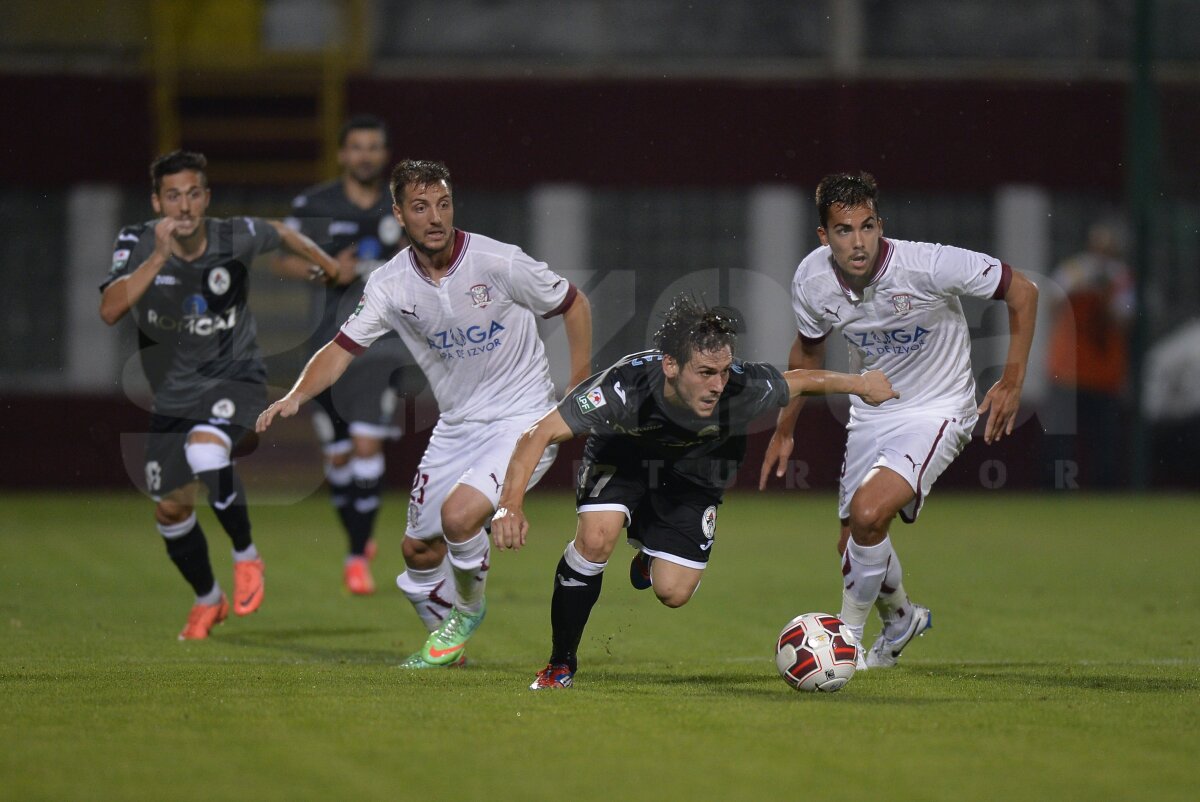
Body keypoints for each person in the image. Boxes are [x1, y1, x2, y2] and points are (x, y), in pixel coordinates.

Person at [257, 159, 593, 668]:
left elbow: (574, 303)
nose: (435, 217)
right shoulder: (391, 285)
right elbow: (341, 347)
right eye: (420, 207)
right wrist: (296, 395)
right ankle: (450, 649)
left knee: (459, 518)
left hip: (522, 419)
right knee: (417, 551)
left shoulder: (497, 262)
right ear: (399, 214)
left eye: (443, 204)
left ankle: (467, 611)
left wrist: (577, 385)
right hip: (458, 426)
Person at [490, 294, 897, 690]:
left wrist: (860, 383)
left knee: (673, 592)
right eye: (705, 372)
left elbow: (802, 381)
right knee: (597, 538)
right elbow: (537, 433)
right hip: (624, 460)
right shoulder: (624, 386)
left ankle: (651, 556)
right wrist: (509, 505)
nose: (718, 384)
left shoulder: (741, 386)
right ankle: (560, 662)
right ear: (670, 364)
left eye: (723, 370)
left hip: (694, 475)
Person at [758, 171, 1039, 670]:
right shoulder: (813, 279)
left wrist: (1012, 380)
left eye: (868, 226)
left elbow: (1024, 292)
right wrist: (785, 427)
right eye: (844, 230)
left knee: (869, 515)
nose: (859, 242)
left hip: (938, 408)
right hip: (873, 409)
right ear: (824, 236)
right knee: (853, 541)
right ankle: (903, 618)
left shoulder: (929, 264)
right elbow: (806, 350)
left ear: (880, 224)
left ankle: (845, 643)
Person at [99, 150, 339, 640]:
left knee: (206, 450)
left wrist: (325, 262)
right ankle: (208, 599)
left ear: (206, 198)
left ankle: (247, 557)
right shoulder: (137, 241)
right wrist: (159, 258)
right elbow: (109, 309)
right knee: (171, 509)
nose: (184, 206)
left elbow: (281, 229)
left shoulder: (234, 235)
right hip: (172, 395)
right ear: (157, 202)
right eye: (173, 196)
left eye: (193, 194)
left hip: (236, 377)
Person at [275, 115, 409, 594]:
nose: (365, 155)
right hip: (326, 346)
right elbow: (280, 254)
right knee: (338, 459)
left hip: (382, 348)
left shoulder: (402, 207)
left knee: (367, 447)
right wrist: (324, 270)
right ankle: (356, 533)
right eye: (357, 147)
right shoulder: (315, 203)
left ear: (384, 154)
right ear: (342, 155)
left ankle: (357, 555)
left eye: (374, 147)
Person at [1043, 222, 1134, 489]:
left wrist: (1104, 295)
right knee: (1059, 440)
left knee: (1104, 443)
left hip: (1104, 374)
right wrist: (1080, 286)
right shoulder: (1075, 269)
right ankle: (1055, 490)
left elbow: (1124, 320)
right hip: (1067, 372)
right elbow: (1051, 303)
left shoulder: (1121, 277)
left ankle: (1104, 493)